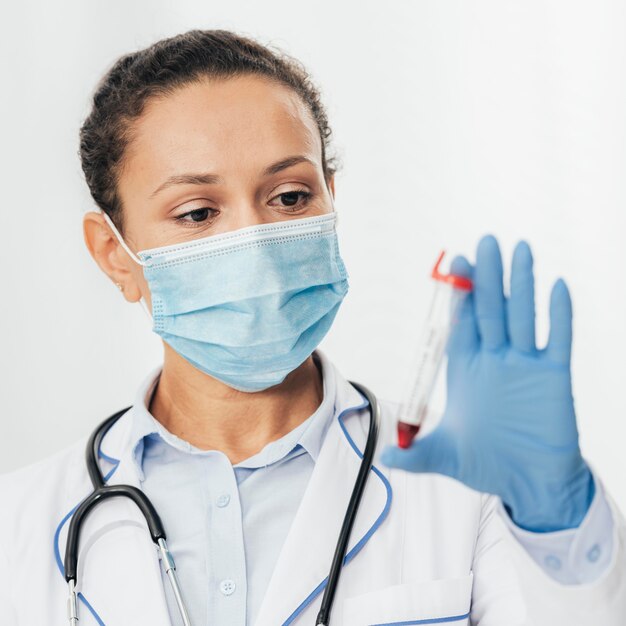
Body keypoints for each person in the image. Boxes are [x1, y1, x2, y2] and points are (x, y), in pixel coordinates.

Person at [0, 28, 624, 626]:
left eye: (290, 197)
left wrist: (556, 520)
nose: (257, 242)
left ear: (331, 198)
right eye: (197, 212)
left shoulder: (465, 494)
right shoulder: (19, 523)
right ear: (114, 254)